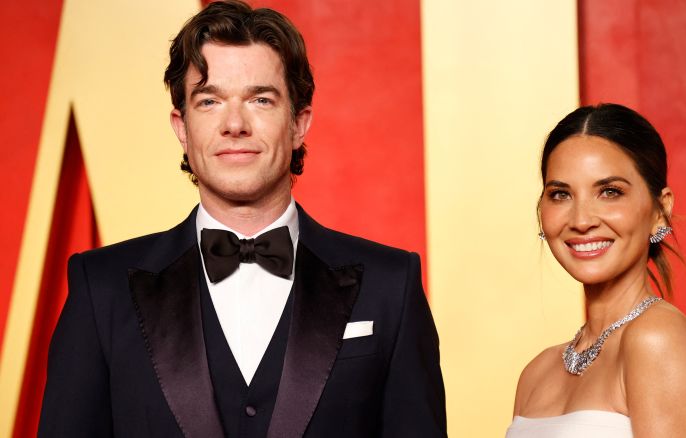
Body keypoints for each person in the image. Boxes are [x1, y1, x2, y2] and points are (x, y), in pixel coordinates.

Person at [38, 2, 446, 437]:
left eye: (260, 99)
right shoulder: (102, 288)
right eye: (210, 101)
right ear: (182, 126)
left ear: (298, 123)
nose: (234, 123)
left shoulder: (390, 286)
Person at [507, 104, 686, 437]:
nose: (581, 220)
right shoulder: (537, 374)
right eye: (560, 194)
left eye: (609, 192)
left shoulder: (657, 339)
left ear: (660, 210)